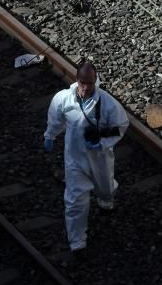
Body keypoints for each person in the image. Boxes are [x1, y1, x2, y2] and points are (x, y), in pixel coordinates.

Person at [44, 60, 129, 252]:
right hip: (74, 159)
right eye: (82, 82)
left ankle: (106, 201)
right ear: (77, 79)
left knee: (105, 187)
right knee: (74, 201)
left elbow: (121, 126)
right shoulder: (64, 99)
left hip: (99, 158)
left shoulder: (107, 104)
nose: (85, 87)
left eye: (90, 83)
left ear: (95, 81)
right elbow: (55, 118)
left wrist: (101, 140)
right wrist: (49, 135)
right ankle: (77, 242)